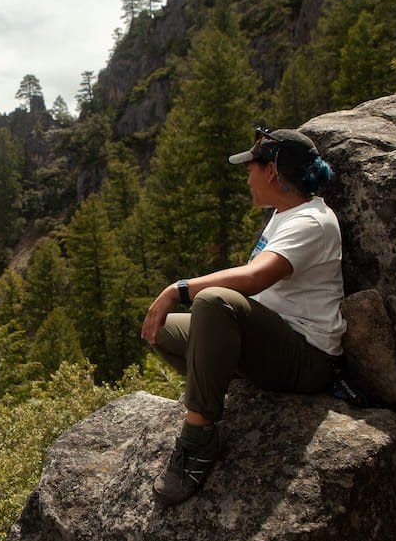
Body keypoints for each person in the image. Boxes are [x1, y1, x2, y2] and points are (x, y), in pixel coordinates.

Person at [140, 127, 346, 506]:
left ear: (271, 172)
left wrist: (177, 289)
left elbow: (254, 278)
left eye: (251, 167)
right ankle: (218, 386)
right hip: (272, 341)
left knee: (213, 302)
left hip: (306, 357)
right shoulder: (285, 214)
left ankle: (198, 440)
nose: (246, 175)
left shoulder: (310, 223)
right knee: (163, 330)